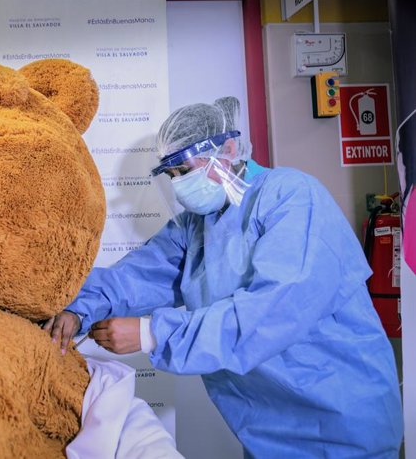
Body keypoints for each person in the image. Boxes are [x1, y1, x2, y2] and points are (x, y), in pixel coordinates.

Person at [44, 97, 404, 458]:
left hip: (344, 423)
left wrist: (151, 333)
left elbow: (273, 312)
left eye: (186, 171)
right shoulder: (195, 227)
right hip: (267, 435)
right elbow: (136, 277)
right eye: (171, 176)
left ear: (229, 149)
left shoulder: (292, 198)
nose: (181, 185)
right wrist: (78, 309)